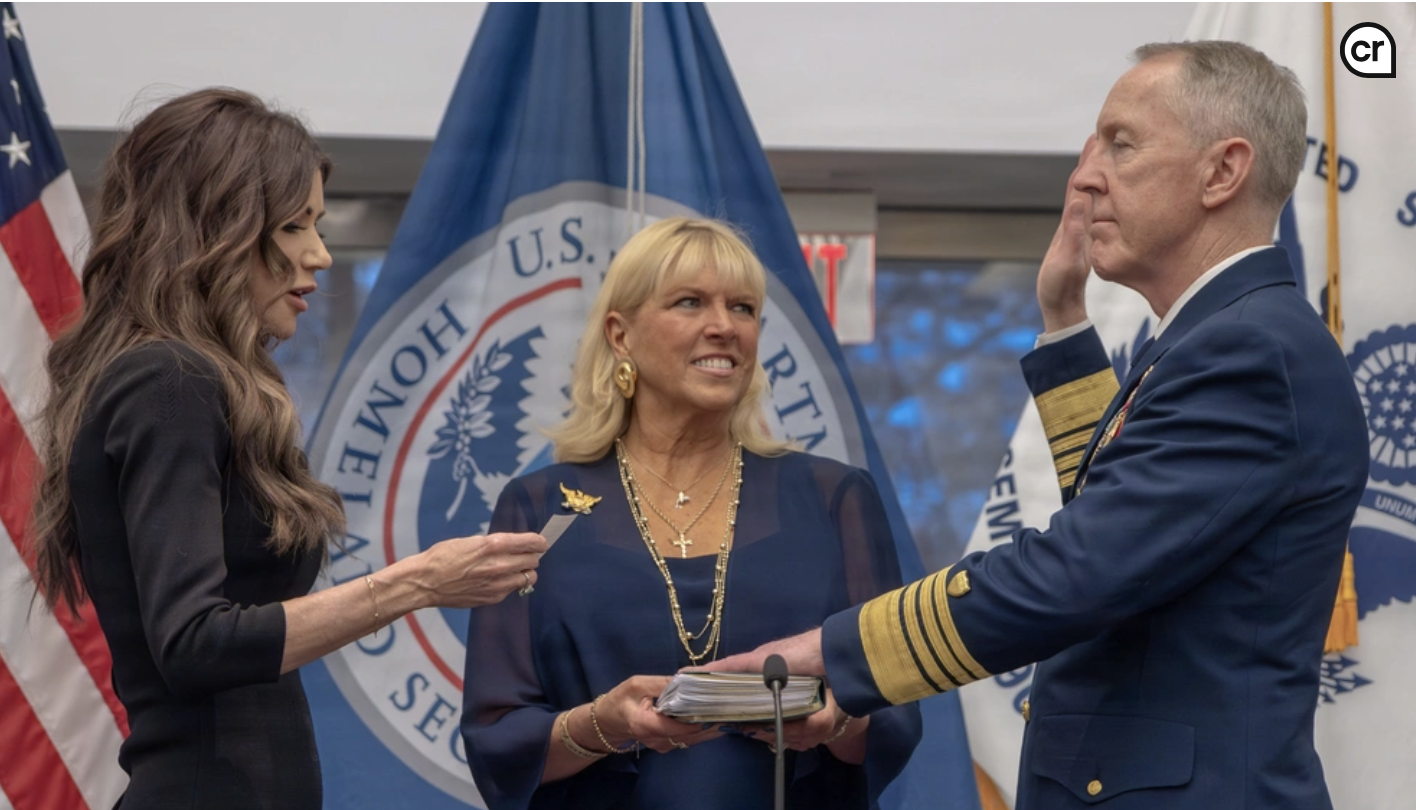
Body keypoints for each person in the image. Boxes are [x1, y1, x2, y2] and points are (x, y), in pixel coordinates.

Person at [708, 41, 1370, 810]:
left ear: (1223, 172)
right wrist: (1063, 319)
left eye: (1121, 145)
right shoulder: (1223, 336)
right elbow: (1122, 519)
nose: (1085, 177)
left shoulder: (1247, 349)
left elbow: (1079, 569)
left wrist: (835, 653)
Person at [27, 88, 548, 810]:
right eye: (295, 225)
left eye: (319, 225)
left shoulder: (192, 381)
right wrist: (419, 583)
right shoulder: (169, 380)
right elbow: (195, 642)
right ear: (218, 226)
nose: (321, 254)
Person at [459, 217, 921, 810]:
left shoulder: (836, 498)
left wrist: (836, 722)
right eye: (689, 302)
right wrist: (604, 723)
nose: (724, 326)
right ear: (621, 335)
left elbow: (894, 713)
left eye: (743, 308)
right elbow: (497, 741)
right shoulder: (538, 507)